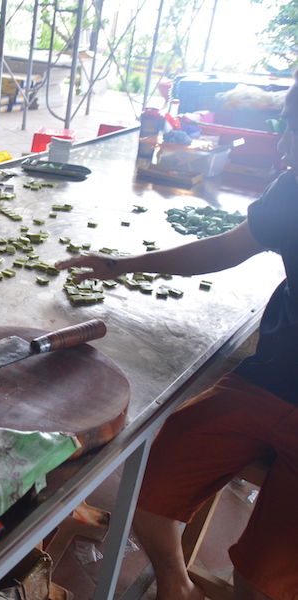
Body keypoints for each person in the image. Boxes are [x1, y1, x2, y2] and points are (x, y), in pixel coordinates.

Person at [55, 76, 298, 600]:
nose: (282, 142)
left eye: (292, 128)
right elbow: (225, 251)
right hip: (268, 381)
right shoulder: (293, 190)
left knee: (267, 574)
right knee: (150, 491)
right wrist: (119, 266)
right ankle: (175, 584)